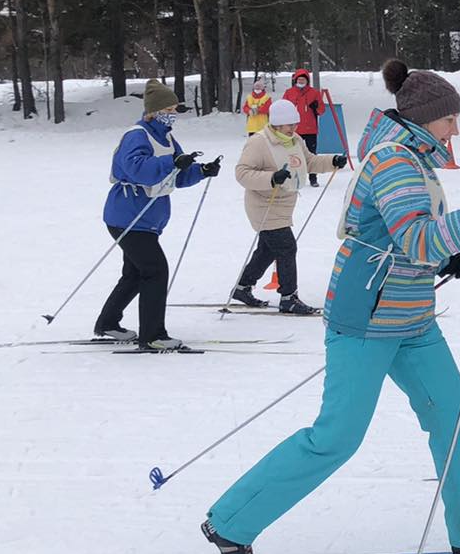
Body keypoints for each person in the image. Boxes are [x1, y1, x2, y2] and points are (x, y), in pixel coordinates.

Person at [202, 58, 460, 554]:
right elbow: (417, 237)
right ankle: (231, 522)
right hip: (367, 317)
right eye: (450, 119)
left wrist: (446, 258)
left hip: (413, 317)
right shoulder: (396, 161)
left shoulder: (415, 157)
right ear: (427, 119)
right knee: (337, 436)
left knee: (453, 417)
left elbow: (406, 235)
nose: (456, 128)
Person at [93, 79, 220, 351]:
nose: (174, 114)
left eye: (175, 109)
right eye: (170, 109)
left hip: (147, 219)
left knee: (135, 273)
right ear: (156, 111)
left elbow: (178, 174)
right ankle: (152, 334)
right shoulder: (137, 135)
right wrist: (170, 162)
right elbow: (137, 168)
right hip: (128, 216)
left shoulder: (166, 137)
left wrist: (201, 170)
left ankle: (108, 323)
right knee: (154, 271)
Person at [229, 98, 346, 314]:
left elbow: (309, 162)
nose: (294, 128)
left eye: (295, 124)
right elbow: (242, 173)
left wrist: (332, 161)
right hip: (263, 204)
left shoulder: (295, 140)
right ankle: (288, 297)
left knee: (267, 250)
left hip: (284, 203)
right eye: (289, 125)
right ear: (276, 124)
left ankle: (242, 287)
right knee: (286, 247)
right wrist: (271, 177)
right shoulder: (259, 142)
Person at [282, 68, 325, 185]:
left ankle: (313, 178)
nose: (301, 81)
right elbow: (282, 108)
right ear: (295, 80)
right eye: (299, 79)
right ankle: (294, 177)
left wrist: (316, 107)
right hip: (294, 129)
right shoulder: (289, 93)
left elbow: (322, 111)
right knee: (293, 154)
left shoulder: (314, 93)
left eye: (303, 79)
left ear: (307, 80)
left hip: (310, 128)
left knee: (311, 154)